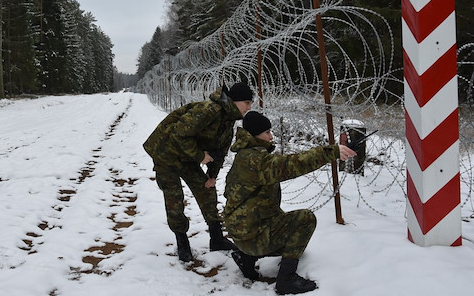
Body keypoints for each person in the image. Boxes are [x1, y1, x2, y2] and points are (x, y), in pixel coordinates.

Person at [224, 111, 356, 294]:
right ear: (255, 134)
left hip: (242, 232)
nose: (271, 136)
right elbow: (291, 165)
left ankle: (245, 256)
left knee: (280, 219)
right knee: (304, 220)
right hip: (251, 236)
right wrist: (330, 152)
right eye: (266, 132)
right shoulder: (256, 160)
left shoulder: (244, 155)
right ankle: (286, 279)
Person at [143, 82, 254, 262]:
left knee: (206, 190)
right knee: (174, 198)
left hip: (187, 156)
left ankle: (217, 238)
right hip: (165, 152)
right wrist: (199, 155)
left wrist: (212, 176)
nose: (249, 107)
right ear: (234, 101)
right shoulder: (209, 110)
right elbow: (179, 133)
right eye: (247, 103)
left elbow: (221, 151)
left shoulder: (228, 120)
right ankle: (182, 241)